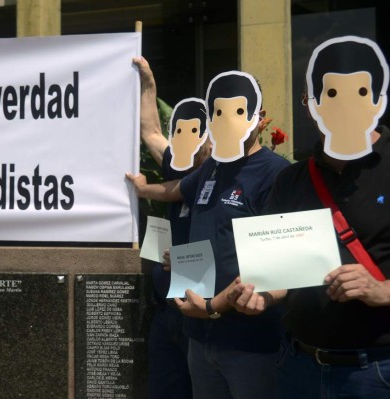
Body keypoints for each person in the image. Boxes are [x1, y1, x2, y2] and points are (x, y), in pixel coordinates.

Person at [228, 35, 390, 398]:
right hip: (299, 367)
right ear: (310, 103)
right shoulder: (292, 179)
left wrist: (382, 290)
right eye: (331, 95)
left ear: (379, 99)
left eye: (359, 94)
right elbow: (279, 272)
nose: (344, 107)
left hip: (377, 372)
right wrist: (261, 295)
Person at [127, 70, 290, 399]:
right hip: (200, 341)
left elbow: (277, 265)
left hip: (250, 347)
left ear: (260, 119)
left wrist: (213, 307)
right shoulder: (212, 168)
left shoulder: (276, 173)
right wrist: (145, 189)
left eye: (238, 112)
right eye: (218, 112)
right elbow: (178, 189)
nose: (226, 121)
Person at [133, 56, 209, 399]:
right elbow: (150, 130)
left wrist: (143, 189)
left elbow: (180, 189)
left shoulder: (217, 173)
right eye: (179, 131)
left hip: (203, 313)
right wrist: (149, 85)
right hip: (167, 314)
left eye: (194, 133)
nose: (184, 139)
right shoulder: (176, 160)